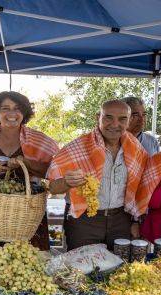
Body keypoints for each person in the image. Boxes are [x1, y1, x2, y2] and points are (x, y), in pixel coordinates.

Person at [48, 99, 153, 251]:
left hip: (122, 221)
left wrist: (136, 221)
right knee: (82, 271)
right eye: (108, 117)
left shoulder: (137, 150)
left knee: (120, 270)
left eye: (122, 119)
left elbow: (141, 189)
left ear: (129, 121)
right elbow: (51, 188)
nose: (115, 124)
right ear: (98, 117)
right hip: (84, 221)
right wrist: (66, 182)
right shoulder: (76, 148)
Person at [0, 91, 58, 250]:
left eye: (17, 108)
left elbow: (54, 172)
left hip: (29, 215)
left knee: (30, 264)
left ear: (24, 112)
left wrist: (27, 163)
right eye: (5, 108)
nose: (12, 113)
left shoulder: (40, 140)